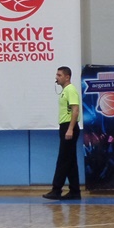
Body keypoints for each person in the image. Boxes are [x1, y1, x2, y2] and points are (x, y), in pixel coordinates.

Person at [43, 66, 82, 201]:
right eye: (57, 75)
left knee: (63, 159)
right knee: (70, 161)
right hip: (65, 126)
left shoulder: (70, 90)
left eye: (59, 75)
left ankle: (56, 189)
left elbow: (75, 110)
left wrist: (70, 128)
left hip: (69, 127)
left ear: (67, 77)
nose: (56, 77)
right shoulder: (65, 91)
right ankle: (75, 191)